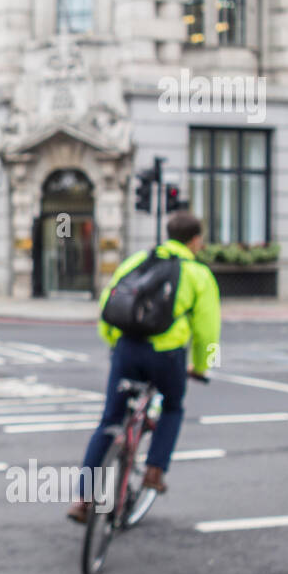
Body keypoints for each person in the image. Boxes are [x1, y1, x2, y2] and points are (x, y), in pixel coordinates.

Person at [67, 211, 221, 522]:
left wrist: (113, 340)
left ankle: (83, 499)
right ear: (195, 240)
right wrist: (202, 366)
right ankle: (154, 470)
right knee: (173, 407)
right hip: (166, 355)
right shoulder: (197, 273)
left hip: (126, 349)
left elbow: (109, 302)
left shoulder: (137, 260)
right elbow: (209, 330)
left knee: (110, 420)